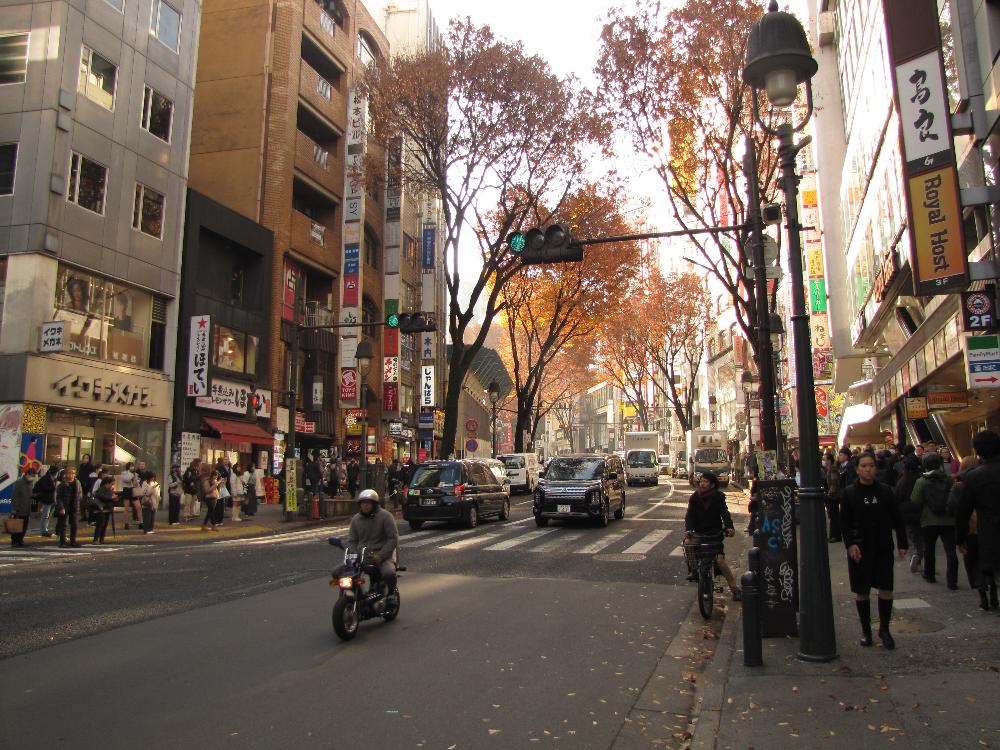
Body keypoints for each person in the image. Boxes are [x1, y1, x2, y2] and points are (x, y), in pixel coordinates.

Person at [841, 452, 907, 649]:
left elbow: (897, 518)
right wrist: (850, 544)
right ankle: (866, 631)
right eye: (864, 466)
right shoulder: (850, 493)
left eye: (871, 465)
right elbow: (844, 522)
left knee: (886, 588)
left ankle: (884, 630)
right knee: (862, 591)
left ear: (875, 468)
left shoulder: (886, 491)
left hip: (883, 546)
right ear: (857, 469)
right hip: (860, 548)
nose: (868, 469)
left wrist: (902, 543)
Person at [955, 430, 1000, 611]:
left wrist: (960, 537)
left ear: (978, 451)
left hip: (990, 533)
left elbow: (963, 511)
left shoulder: (973, 477)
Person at [682, 472, 741, 601]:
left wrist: (729, 527)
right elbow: (689, 515)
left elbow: (724, 513)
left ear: (712, 484)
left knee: (720, 561)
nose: (702, 484)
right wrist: (689, 530)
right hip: (698, 532)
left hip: (714, 533)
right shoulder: (694, 497)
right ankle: (693, 570)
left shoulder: (718, 497)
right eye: (701, 481)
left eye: (705, 482)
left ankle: (735, 589)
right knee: (688, 544)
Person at [911, 452, 958, 588]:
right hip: (949, 520)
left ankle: (929, 574)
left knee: (929, 548)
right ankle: (952, 580)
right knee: (950, 550)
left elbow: (915, 499)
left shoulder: (922, 481)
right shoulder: (949, 479)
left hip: (929, 520)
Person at [345, 489, 399, 593]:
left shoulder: (386, 516)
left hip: (382, 557)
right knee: (339, 573)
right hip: (361, 557)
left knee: (389, 574)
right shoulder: (356, 519)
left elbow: (393, 539)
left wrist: (381, 555)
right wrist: (355, 555)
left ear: (374, 504)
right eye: (363, 503)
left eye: (368, 503)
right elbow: (352, 540)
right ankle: (359, 595)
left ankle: (391, 594)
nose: (365, 506)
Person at [893, 451, 924, 573]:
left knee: (910, 536)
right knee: (921, 537)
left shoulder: (902, 481)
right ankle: (920, 558)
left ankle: (914, 554)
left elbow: (897, 498)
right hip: (920, 511)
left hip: (906, 513)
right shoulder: (921, 480)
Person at [55, 466, 85, 548]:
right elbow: (58, 497)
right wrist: (61, 507)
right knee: (63, 524)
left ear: (75, 474)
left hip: (74, 505)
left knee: (74, 524)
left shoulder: (77, 483)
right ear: (65, 474)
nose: (70, 475)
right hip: (64, 506)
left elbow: (80, 494)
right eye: (68, 473)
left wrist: (79, 501)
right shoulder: (62, 484)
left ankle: (73, 541)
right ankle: (62, 542)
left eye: (72, 473)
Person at [8, 466, 37, 547]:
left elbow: (29, 495)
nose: (32, 477)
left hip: (27, 508)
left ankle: (20, 540)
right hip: (19, 509)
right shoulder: (19, 483)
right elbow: (15, 496)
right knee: (16, 526)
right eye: (32, 475)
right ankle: (15, 541)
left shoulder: (30, 483)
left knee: (24, 526)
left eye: (34, 476)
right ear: (27, 474)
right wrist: (14, 509)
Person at [34, 464, 59, 537]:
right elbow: (45, 488)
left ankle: (45, 529)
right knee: (45, 515)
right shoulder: (47, 478)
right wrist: (53, 487)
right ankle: (43, 530)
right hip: (47, 499)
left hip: (50, 499)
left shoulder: (51, 478)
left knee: (47, 515)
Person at [823, 452, 842, 543]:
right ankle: (834, 535)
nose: (824, 461)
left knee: (834, 516)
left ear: (829, 460)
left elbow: (834, 483)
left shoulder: (832, 469)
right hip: (833, 495)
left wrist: (830, 493)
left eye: (825, 459)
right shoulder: (830, 469)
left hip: (833, 496)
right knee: (833, 515)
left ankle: (835, 535)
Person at [91, 475, 116, 544]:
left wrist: (113, 498)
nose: (112, 485)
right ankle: (96, 539)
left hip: (107, 509)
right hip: (101, 509)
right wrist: (111, 497)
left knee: (104, 525)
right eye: (112, 484)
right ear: (107, 483)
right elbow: (102, 497)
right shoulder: (101, 489)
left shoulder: (109, 490)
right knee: (100, 525)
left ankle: (101, 539)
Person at [120, 462, 139, 530]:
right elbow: (126, 479)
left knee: (138, 507)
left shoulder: (135, 474)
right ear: (128, 467)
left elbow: (136, 483)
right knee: (126, 508)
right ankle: (126, 523)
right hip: (127, 490)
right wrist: (132, 474)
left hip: (133, 490)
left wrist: (136, 481)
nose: (132, 467)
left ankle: (140, 522)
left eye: (133, 466)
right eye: (131, 466)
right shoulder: (124, 473)